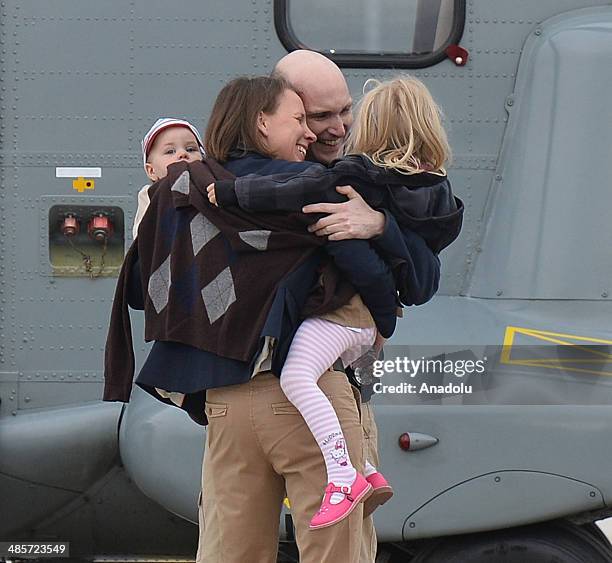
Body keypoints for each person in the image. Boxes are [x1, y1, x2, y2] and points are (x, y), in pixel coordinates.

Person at [207, 74, 462, 529]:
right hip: (355, 343)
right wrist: (385, 297)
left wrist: (380, 227)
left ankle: (348, 474)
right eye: (311, 117)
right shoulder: (436, 193)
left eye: (345, 114)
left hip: (313, 353)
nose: (334, 129)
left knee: (298, 375)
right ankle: (362, 467)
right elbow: (421, 281)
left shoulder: (348, 179)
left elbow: (301, 200)